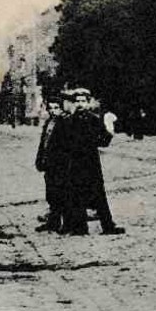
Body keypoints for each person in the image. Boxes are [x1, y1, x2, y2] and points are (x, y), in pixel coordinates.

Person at [60, 88, 124, 236]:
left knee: (99, 195)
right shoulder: (69, 121)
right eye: (77, 101)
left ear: (88, 103)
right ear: (74, 103)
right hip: (75, 163)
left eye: (83, 101)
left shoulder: (94, 120)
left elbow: (103, 141)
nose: (80, 104)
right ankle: (79, 228)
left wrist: (109, 131)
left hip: (91, 162)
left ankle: (108, 226)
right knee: (76, 194)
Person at [34, 94, 66, 233]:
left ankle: (64, 224)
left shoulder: (64, 124)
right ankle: (52, 222)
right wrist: (39, 159)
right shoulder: (48, 123)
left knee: (61, 194)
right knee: (51, 194)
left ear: (61, 109)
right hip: (49, 165)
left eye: (56, 108)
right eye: (51, 108)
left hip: (59, 165)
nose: (53, 111)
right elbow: (43, 143)